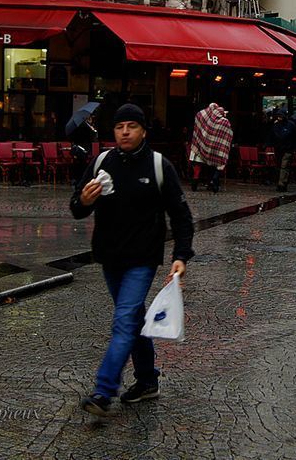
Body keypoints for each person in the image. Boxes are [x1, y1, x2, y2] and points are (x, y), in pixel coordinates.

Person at [70, 103, 195, 417]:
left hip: (142, 258)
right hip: (110, 257)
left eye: (132, 126)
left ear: (143, 131)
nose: (125, 132)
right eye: (119, 127)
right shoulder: (101, 162)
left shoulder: (157, 165)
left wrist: (181, 255)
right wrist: (83, 201)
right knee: (134, 318)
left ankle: (103, 391)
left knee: (124, 321)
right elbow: (77, 206)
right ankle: (147, 381)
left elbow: (181, 215)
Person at [190, 103, 233, 193]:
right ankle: (213, 181)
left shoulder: (201, 115)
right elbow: (228, 134)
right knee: (218, 164)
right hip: (217, 149)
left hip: (200, 146)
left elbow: (197, 129)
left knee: (198, 166)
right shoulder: (224, 121)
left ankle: (195, 182)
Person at [271, 110, 296, 192]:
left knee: (284, 166)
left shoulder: (289, 125)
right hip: (280, 149)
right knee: (281, 166)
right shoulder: (277, 125)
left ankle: (281, 184)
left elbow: (295, 136)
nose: (279, 118)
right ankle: (282, 183)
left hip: (287, 149)